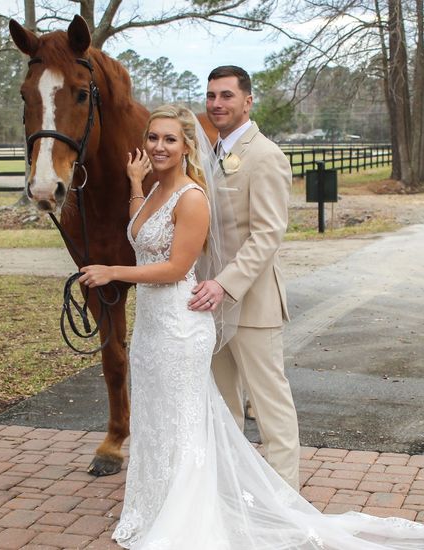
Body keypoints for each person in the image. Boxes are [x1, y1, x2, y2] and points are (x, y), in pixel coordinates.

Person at [78, 105, 424, 549]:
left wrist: (112, 271)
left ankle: (204, 514)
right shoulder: (152, 192)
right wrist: (133, 185)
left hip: (179, 326)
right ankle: (157, 504)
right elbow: (141, 233)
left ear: (188, 145)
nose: (159, 147)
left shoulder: (191, 197)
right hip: (152, 327)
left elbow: (175, 267)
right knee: (156, 420)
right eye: (153, 138)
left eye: (170, 139)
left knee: (190, 421)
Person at [188, 65, 301, 490]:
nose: (217, 103)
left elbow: (268, 234)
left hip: (251, 304)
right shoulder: (208, 155)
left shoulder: (266, 155)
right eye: (211, 95)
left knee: (271, 407)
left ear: (247, 101)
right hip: (208, 305)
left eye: (227, 96)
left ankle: (284, 500)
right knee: (223, 406)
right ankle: (231, 492)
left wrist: (225, 284)